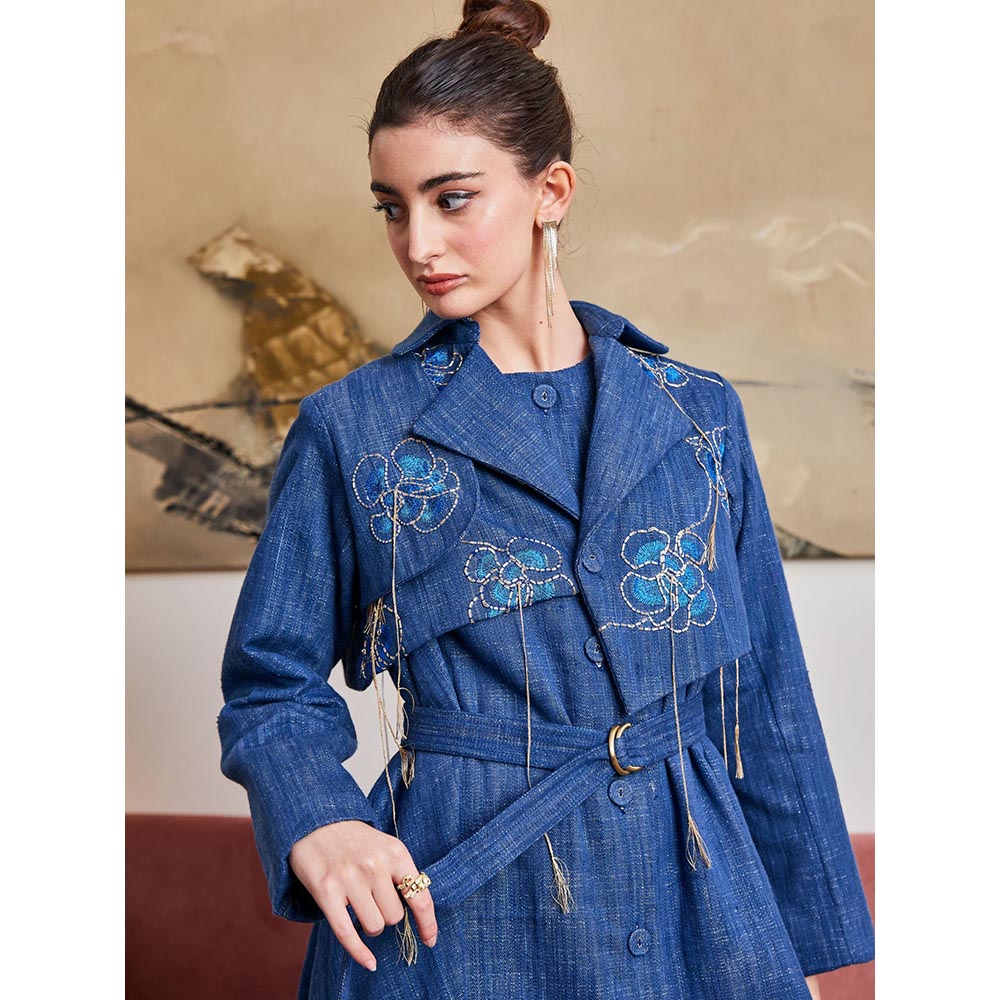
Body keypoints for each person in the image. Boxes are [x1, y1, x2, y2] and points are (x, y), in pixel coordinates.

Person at [217, 3, 876, 998]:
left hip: (697, 894)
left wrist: (799, 956)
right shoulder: (354, 428)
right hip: (460, 897)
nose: (418, 242)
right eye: (392, 207)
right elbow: (270, 683)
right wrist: (320, 816)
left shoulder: (694, 413)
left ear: (549, 191)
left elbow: (763, 695)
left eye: (452, 199)